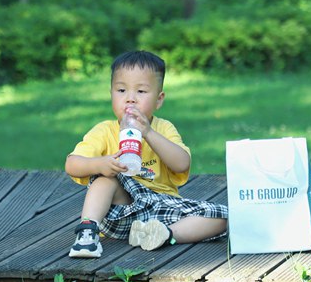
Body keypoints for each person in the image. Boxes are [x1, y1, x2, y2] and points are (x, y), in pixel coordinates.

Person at [64, 50, 228, 258]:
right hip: (119, 213)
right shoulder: (104, 131)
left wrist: (148, 133)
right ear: (111, 94)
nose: (130, 99)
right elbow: (72, 164)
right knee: (105, 179)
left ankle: (163, 235)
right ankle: (87, 231)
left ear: (159, 100)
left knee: (221, 218)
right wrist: (100, 164)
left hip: (161, 210)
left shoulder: (163, 128)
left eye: (141, 92)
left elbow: (182, 163)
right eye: (121, 90)